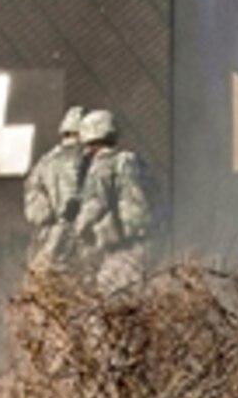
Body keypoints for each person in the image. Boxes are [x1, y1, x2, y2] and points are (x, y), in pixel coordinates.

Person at [74, 109, 154, 295]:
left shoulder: (103, 165)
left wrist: (79, 230)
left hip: (121, 247)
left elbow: (95, 204)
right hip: (144, 241)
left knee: (109, 300)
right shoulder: (132, 161)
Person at [23, 106, 87, 272]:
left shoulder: (46, 162)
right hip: (79, 241)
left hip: (50, 239)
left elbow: (35, 211)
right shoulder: (91, 161)